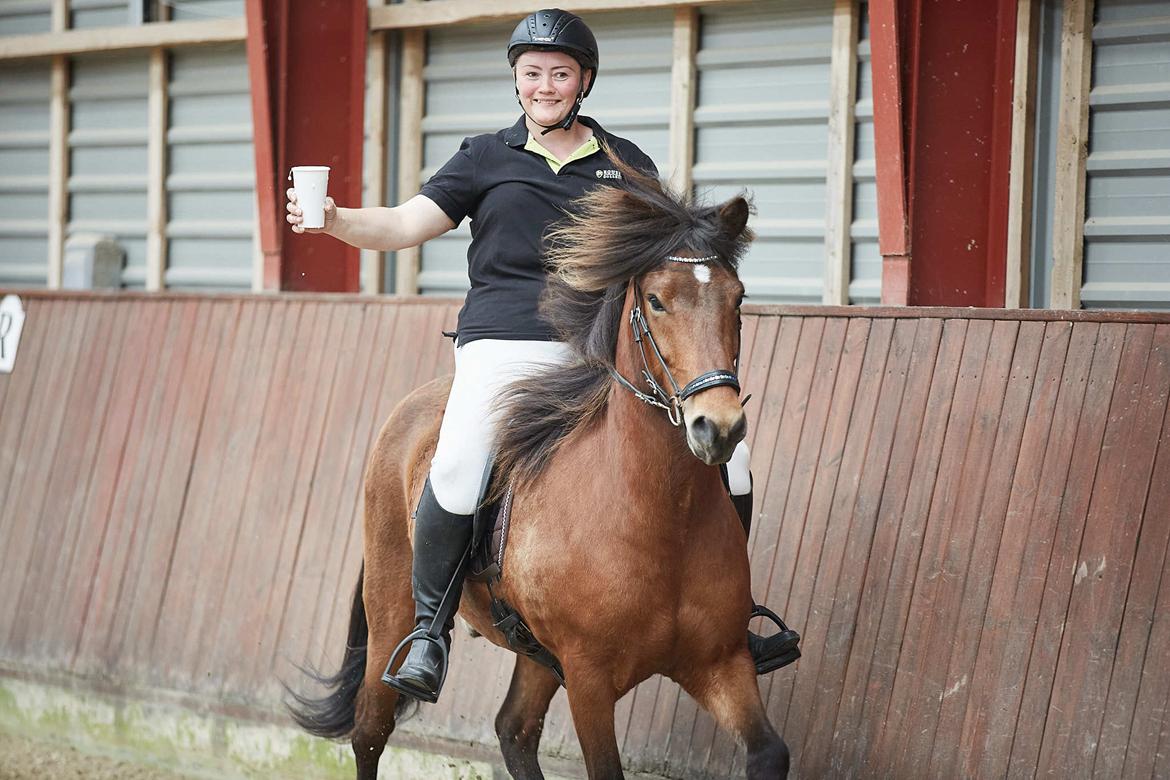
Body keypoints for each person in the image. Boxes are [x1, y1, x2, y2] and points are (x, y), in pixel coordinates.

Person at [286, 9, 789, 704]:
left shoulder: (625, 165)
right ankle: (427, 632)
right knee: (458, 462)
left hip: (594, 355)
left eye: (559, 74)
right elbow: (405, 223)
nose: (544, 86)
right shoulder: (484, 158)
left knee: (732, 455)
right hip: (501, 347)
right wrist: (337, 220)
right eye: (532, 74)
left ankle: (734, 616)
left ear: (583, 82)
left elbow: (670, 253)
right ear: (516, 81)